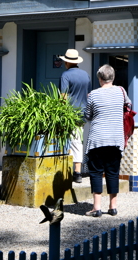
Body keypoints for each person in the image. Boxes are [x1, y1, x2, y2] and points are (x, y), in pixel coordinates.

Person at [83, 64, 129, 217]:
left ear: (100, 78)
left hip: (97, 139)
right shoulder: (121, 91)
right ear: (113, 77)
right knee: (112, 172)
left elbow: (87, 116)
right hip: (116, 138)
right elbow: (128, 106)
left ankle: (96, 208)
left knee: (96, 172)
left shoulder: (93, 95)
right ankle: (113, 207)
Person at [59, 48, 92, 184]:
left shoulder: (65, 75)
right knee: (77, 140)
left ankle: (72, 171)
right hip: (82, 113)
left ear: (66, 62)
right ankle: (77, 170)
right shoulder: (85, 75)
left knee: (66, 141)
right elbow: (88, 95)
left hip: (68, 114)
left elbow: (63, 97)